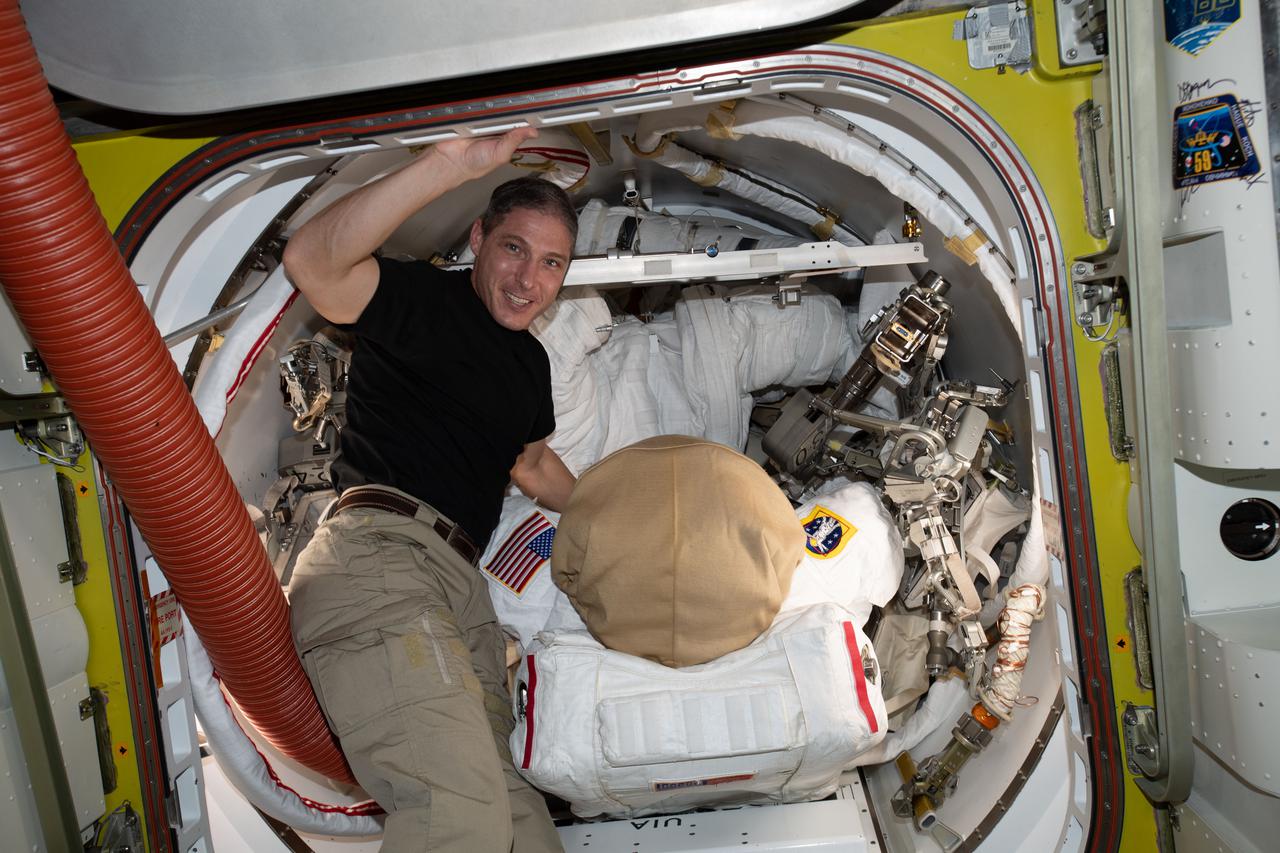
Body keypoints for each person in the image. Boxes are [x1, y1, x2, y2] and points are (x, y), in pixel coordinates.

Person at [282, 128, 574, 852]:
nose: (526, 279)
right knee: (458, 814)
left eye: (550, 263)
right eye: (513, 248)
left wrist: (625, 505)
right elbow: (310, 261)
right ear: (478, 237)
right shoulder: (418, 297)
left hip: (458, 591)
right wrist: (446, 165)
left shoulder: (530, 367)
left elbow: (534, 466)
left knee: (524, 825)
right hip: (379, 561)